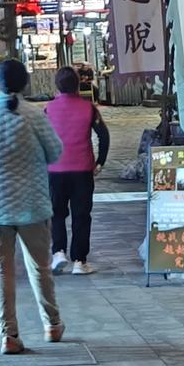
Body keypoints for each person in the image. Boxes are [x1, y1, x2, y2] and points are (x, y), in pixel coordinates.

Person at [0, 59, 65, 355]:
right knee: (40, 268)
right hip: (31, 204)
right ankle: (52, 324)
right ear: (24, 84)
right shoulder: (34, 116)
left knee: (0, 270)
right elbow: (55, 152)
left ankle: (9, 335)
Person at [45, 65, 110, 274]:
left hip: (55, 169)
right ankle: (80, 261)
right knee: (81, 215)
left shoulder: (48, 109)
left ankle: (58, 253)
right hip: (83, 169)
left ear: (57, 85)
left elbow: (40, 138)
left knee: (56, 213)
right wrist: (100, 161)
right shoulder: (89, 108)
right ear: (78, 84)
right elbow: (104, 135)